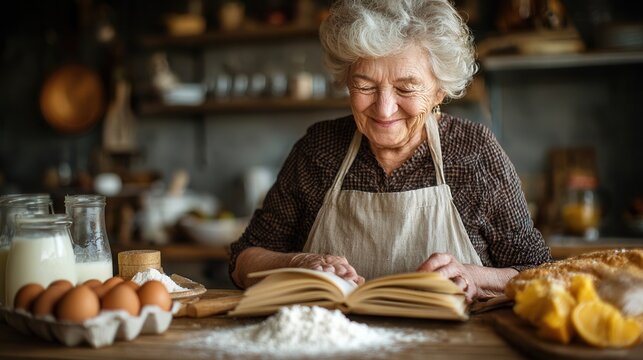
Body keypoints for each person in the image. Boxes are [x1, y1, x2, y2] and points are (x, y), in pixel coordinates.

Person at [229, 0, 551, 302]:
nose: (384, 110)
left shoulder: (473, 153)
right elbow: (244, 260)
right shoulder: (319, 149)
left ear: (440, 90)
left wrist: (474, 276)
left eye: (406, 88)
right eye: (365, 86)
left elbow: (540, 274)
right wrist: (300, 263)